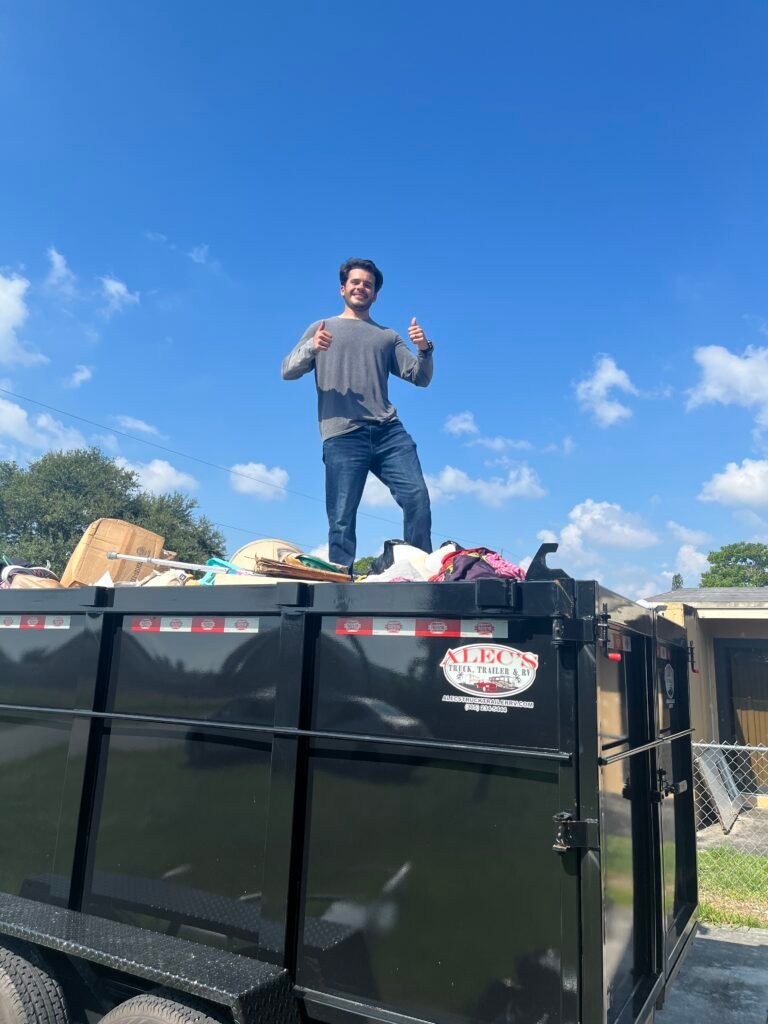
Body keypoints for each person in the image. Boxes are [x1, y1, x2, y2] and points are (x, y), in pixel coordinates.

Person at [282, 257, 434, 570]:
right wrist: (312, 347)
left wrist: (425, 350)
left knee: (417, 497)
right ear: (343, 289)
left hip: (388, 432)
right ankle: (341, 581)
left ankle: (420, 572)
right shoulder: (321, 328)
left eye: (368, 284)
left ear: (375, 294)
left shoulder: (387, 336)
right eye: (355, 282)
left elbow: (420, 377)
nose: (361, 287)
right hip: (342, 435)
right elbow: (287, 370)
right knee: (341, 518)